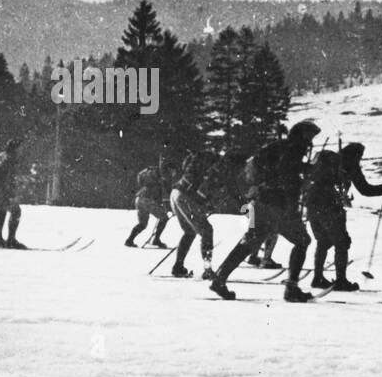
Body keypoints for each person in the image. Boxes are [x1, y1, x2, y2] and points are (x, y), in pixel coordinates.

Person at [210, 120, 320, 302]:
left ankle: (220, 278)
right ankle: (291, 288)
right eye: (309, 137)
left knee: (249, 242)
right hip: (277, 204)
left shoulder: (277, 147)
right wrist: (306, 174)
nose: (310, 142)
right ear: (301, 136)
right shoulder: (293, 149)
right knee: (302, 241)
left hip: (259, 201)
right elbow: (288, 176)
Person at [302, 142, 382, 290]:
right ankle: (341, 281)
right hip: (330, 204)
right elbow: (365, 189)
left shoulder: (326, 160)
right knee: (341, 242)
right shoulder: (350, 164)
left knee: (323, 241)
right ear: (356, 155)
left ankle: (317, 278)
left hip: (311, 202)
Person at [169, 150, 227, 279]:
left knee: (189, 232)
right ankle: (207, 270)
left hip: (176, 193)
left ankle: (178, 266)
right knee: (207, 231)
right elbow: (203, 190)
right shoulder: (217, 167)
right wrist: (206, 203)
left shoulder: (201, 159)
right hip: (185, 196)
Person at [125, 157, 175, 248]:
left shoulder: (158, 175)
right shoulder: (163, 176)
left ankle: (129, 240)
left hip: (139, 199)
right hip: (147, 200)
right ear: (170, 169)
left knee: (142, 224)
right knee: (164, 218)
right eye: (173, 171)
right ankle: (156, 240)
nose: (174, 174)